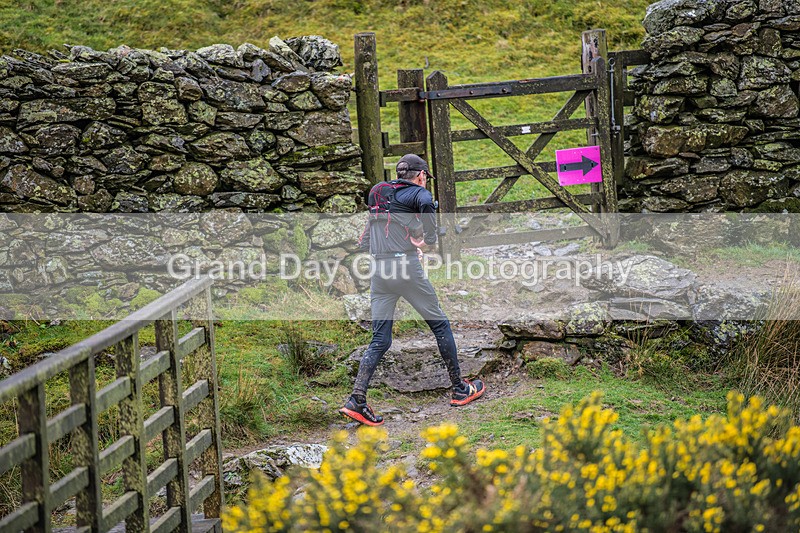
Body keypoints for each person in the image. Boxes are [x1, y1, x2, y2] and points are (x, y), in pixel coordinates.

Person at [339, 154, 485, 426]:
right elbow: (427, 208)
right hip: (405, 268)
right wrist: (427, 241)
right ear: (421, 176)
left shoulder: (378, 191)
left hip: (379, 272)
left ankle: (357, 399)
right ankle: (459, 389)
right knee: (440, 326)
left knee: (380, 340)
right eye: (425, 179)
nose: (424, 183)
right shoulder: (419, 194)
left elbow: (368, 236)